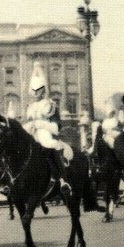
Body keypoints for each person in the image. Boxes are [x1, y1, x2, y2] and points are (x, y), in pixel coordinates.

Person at [22, 62, 71, 195]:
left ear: (43, 90)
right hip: (31, 131)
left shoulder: (49, 105)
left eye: (38, 90)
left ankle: (62, 179)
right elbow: (26, 121)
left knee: (50, 144)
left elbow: (57, 125)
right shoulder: (30, 106)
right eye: (34, 90)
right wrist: (27, 127)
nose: (36, 93)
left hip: (44, 131)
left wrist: (41, 125)